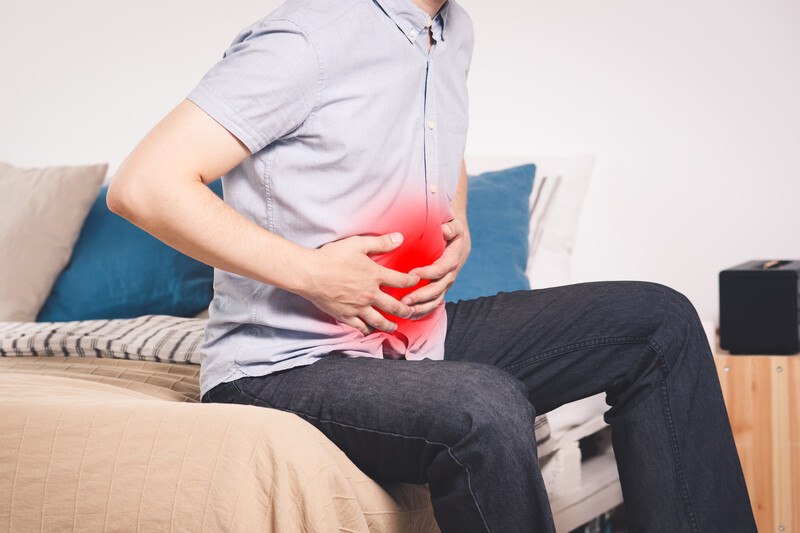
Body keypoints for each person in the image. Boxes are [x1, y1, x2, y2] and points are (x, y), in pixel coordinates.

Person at [107, 0, 757, 531]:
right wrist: (313, 274)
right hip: (284, 364)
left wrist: (460, 220)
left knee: (660, 321)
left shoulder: (449, 32)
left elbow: (438, 138)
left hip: (418, 341)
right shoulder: (307, 37)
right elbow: (144, 183)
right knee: (485, 404)